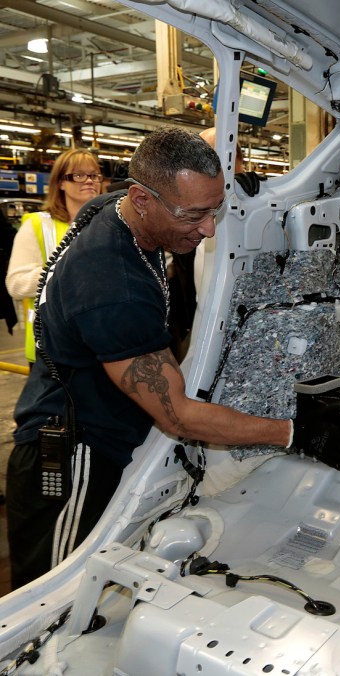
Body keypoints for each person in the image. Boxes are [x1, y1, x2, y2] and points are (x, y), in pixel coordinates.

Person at [6, 126, 293, 589]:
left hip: (96, 429)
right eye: (194, 215)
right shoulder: (113, 286)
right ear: (142, 201)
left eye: (214, 210)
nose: (208, 229)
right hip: (72, 455)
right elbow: (178, 415)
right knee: (55, 594)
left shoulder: (113, 205)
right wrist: (290, 432)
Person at [5, 149, 103, 364]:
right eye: (78, 175)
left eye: (94, 175)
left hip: (103, 343)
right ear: (60, 183)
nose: (89, 181)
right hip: (51, 348)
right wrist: (69, 270)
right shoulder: (38, 225)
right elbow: (16, 284)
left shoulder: (109, 224)